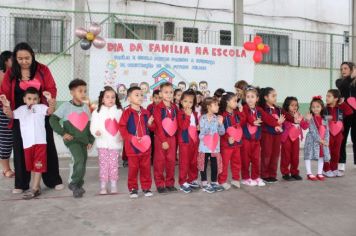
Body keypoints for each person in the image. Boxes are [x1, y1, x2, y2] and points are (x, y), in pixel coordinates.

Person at [0, 42, 63, 193]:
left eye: (27, 58)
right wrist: (5, 104)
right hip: (19, 116)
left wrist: (50, 99)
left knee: (47, 147)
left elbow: (51, 87)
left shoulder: (42, 69)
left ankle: (53, 180)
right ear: (15, 58)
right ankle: (21, 184)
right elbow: (4, 92)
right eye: (20, 58)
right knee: (20, 149)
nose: (24, 61)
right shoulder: (11, 72)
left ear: (32, 56)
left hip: (40, 115)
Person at [1, 88, 55, 199]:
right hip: (27, 144)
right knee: (32, 166)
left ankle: (35, 188)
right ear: (24, 99)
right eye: (29, 99)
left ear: (39, 100)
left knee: (38, 165)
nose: (32, 101)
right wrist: (6, 106)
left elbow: (50, 111)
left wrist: (50, 101)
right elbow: (11, 115)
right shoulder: (21, 109)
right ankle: (37, 186)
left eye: (35, 99)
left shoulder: (41, 108)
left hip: (40, 143)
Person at [50, 79, 94, 198]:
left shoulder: (85, 107)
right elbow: (52, 119)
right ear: (72, 92)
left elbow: (90, 125)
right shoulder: (65, 106)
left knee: (83, 162)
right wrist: (63, 133)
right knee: (79, 159)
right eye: (80, 91)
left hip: (83, 141)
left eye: (85, 91)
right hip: (72, 141)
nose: (83, 93)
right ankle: (73, 184)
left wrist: (90, 140)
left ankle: (78, 186)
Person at [241, 87, 281, 187]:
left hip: (256, 140)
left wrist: (276, 124)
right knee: (245, 160)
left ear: (257, 99)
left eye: (252, 97)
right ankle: (245, 178)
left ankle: (255, 177)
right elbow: (246, 117)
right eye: (248, 97)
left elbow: (267, 118)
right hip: (246, 140)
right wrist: (252, 122)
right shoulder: (244, 108)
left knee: (256, 160)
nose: (250, 99)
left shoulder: (259, 110)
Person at [118, 86, 154, 198]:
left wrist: (150, 123)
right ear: (129, 98)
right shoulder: (126, 113)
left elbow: (151, 128)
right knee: (133, 169)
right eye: (136, 95)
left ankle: (146, 187)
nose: (140, 97)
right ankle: (133, 188)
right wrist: (130, 138)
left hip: (146, 147)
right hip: (132, 148)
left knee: (146, 168)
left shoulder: (146, 112)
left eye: (141, 95)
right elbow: (122, 127)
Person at [90, 86, 123, 194]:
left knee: (114, 165)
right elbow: (93, 126)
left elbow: (123, 125)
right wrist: (96, 132)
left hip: (115, 143)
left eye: (113, 97)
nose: (110, 99)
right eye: (107, 97)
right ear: (102, 99)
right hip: (102, 144)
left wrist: (122, 135)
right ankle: (103, 186)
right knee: (103, 165)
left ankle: (113, 185)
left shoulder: (119, 111)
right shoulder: (97, 112)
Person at [153, 82, 178, 193]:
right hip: (160, 138)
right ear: (161, 94)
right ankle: (159, 184)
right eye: (166, 92)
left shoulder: (174, 107)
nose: (169, 95)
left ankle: (170, 183)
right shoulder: (158, 108)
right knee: (160, 162)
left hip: (172, 139)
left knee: (171, 161)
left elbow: (177, 123)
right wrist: (163, 140)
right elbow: (158, 125)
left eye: (171, 92)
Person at [218, 92, 246, 190]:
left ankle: (236, 179)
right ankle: (222, 181)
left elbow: (241, 123)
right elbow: (220, 129)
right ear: (227, 102)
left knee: (236, 162)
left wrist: (242, 112)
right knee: (224, 164)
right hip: (226, 145)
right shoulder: (222, 115)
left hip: (237, 144)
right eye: (234, 101)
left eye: (236, 101)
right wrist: (227, 137)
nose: (236, 103)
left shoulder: (237, 113)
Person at [198, 97, 225, 193]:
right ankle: (204, 183)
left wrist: (221, 123)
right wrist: (211, 124)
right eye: (216, 105)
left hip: (215, 147)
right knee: (203, 165)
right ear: (209, 106)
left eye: (218, 104)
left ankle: (214, 182)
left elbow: (222, 132)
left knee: (215, 165)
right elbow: (203, 132)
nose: (218, 106)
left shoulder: (218, 118)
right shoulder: (202, 118)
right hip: (204, 147)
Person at [323, 89, 353, 177]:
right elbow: (323, 121)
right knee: (328, 153)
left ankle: (334, 169)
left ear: (336, 98)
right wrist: (330, 118)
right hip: (328, 134)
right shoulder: (325, 108)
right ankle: (326, 169)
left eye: (329, 96)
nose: (327, 98)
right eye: (326, 96)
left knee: (336, 153)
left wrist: (343, 103)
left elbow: (350, 112)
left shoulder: (341, 107)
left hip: (339, 134)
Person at [259, 87, 285, 183]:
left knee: (275, 154)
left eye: (276, 96)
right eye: (273, 96)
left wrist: (294, 119)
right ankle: (265, 174)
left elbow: (284, 118)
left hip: (277, 135)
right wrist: (276, 124)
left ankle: (272, 174)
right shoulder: (262, 109)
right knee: (267, 154)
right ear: (266, 97)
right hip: (267, 135)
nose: (275, 98)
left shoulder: (278, 109)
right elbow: (266, 121)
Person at [280, 97, 309, 181]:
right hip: (286, 138)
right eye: (292, 105)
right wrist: (294, 120)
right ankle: (285, 173)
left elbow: (304, 127)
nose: (294, 107)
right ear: (287, 106)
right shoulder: (285, 115)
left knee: (295, 156)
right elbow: (283, 126)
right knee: (286, 156)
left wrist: (306, 120)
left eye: (296, 105)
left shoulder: (299, 114)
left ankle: (294, 172)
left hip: (296, 139)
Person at [177, 89, 199, 193]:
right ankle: (182, 182)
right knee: (184, 162)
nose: (188, 104)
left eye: (190, 102)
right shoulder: (180, 113)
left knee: (194, 161)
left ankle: (192, 179)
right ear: (181, 102)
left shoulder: (194, 113)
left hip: (194, 141)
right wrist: (187, 115)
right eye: (185, 101)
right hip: (185, 141)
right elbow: (183, 126)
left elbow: (196, 126)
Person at [335, 62, 356, 173]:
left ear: (352, 69)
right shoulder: (340, 82)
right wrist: (350, 77)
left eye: (346, 68)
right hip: (344, 114)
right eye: (342, 68)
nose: (343, 70)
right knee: (342, 138)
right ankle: (341, 162)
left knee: (355, 138)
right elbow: (342, 86)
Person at [304, 96, 330, 181]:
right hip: (312, 140)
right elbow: (312, 130)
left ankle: (319, 173)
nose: (315, 109)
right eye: (313, 107)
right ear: (311, 108)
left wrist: (326, 140)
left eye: (318, 107)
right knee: (308, 155)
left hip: (322, 141)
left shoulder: (324, 118)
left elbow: (326, 130)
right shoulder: (310, 117)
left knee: (321, 156)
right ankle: (309, 173)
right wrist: (320, 140)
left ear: (322, 107)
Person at [0, 50, 14, 178]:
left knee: (12, 139)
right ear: (6, 61)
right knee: (6, 141)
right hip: (3, 111)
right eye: (12, 59)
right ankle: (5, 169)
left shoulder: (12, 74)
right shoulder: (2, 75)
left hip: (13, 110)